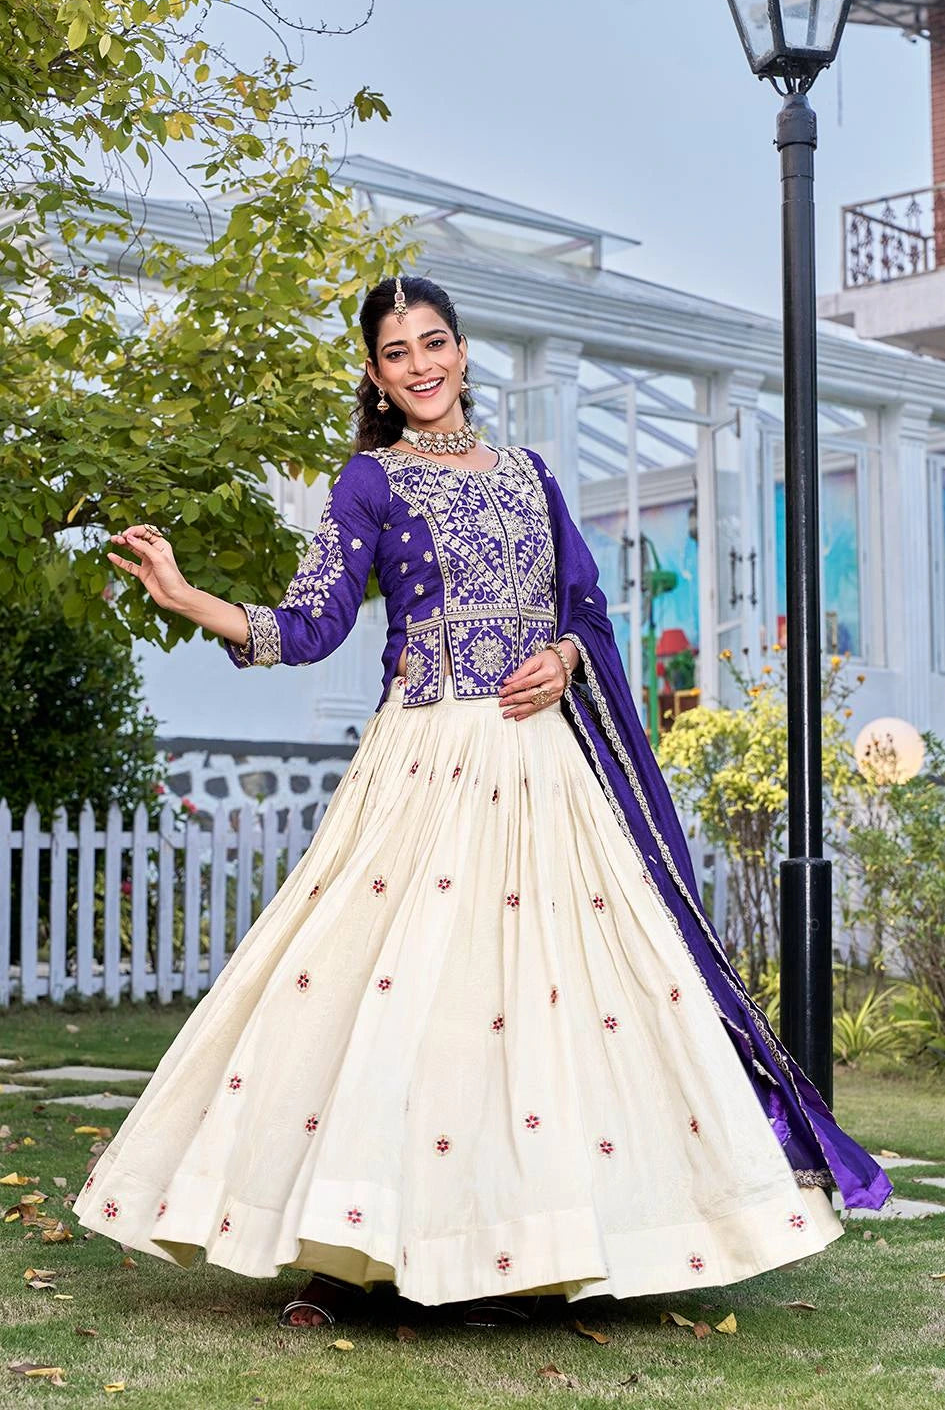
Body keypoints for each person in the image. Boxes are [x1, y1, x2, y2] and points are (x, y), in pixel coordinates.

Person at [73, 274, 891, 1331]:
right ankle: (348, 1250)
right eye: (397, 352)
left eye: (435, 343)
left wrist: (561, 656)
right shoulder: (368, 482)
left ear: (463, 352)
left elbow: (588, 609)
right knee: (397, 1004)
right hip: (423, 766)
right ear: (374, 374)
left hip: (541, 771)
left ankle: (546, 1241)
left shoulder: (531, 474)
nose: (420, 365)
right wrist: (193, 601)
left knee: (557, 1004)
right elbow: (313, 624)